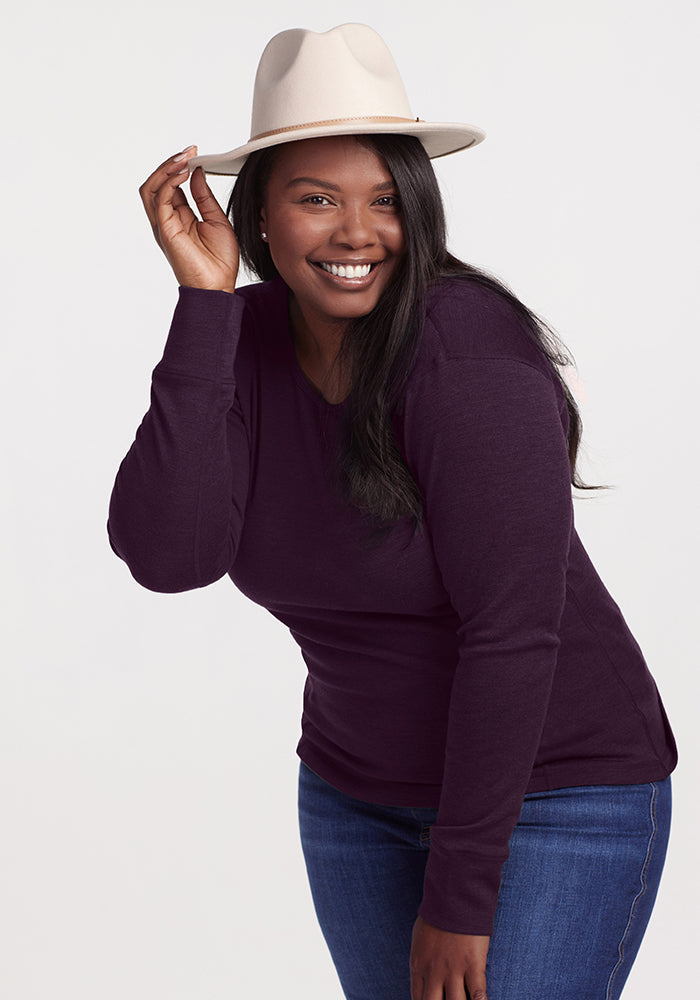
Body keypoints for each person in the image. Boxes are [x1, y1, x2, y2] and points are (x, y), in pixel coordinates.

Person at [108, 23, 677, 1000]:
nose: (356, 233)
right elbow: (171, 557)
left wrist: (460, 898)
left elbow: (512, 632)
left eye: (384, 199)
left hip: (554, 796)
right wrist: (203, 304)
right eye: (316, 198)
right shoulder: (239, 340)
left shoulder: (468, 354)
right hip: (354, 797)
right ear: (260, 216)